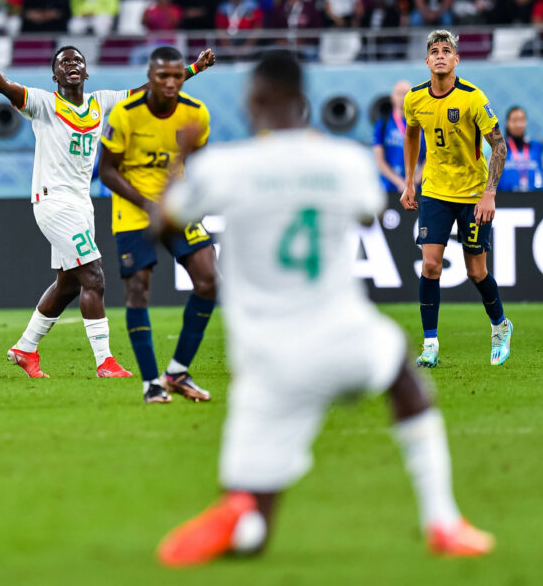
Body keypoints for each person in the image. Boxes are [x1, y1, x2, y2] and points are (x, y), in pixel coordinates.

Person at [155, 50, 495, 567]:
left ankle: (243, 522)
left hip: (266, 358)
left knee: (253, 510)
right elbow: (367, 213)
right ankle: (443, 521)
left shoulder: (225, 166)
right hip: (342, 335)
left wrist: (179, 165)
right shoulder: (343, 162)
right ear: (302, 100)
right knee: (402, 374)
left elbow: (164, 222)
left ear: (255, 100)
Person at [0, 27, 216, 379]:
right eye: (63, 62)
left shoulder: (100, 102)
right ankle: (105, 362)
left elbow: (147, 92)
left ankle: (25, 348)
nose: (72, 64)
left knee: (69, 283)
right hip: (54, 202)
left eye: (77, 60)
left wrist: (193, 69)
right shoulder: (43, 104)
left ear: (86, 71)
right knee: (94, 276)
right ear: (55, 76)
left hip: (81, 203)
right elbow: (4, 86)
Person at [98, 46, 217, 405]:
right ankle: (152, 383)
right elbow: (107, 171)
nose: (170, 82)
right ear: (150, 77)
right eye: (163, 75)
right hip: (134, 208)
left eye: (177, 76)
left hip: (176, 206)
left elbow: (200, 165)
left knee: (208, 280)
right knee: (138, 289)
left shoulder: (195, 113)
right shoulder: (125, 114)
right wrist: (148, 204)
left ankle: (177, 372)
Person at [400, 29, 512, 368]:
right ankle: (430, 345)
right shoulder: (414, 98)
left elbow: (500, 146)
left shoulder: (472, 97)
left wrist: (489, 194)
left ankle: (500, 326)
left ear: (456, 60)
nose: (440, 55)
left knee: (476, 271)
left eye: (446, 51)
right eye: (434, 51)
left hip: (473, 193)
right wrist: (409, 182)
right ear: (426, 61)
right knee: (431, 265)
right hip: (435, 190)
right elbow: (411, 134)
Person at [372, 80, 425, 193]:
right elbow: (379, 160)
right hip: (390, 188)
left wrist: (416, 179)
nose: (402, 97)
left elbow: (432, 155)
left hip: (418, 188)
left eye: (406, 93)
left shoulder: (423, 124)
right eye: (399, 93)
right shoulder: (383, 124)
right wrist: (399, 182)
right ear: (392, 97)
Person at [497, 106, 543, 192]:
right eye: (514, 121)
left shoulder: (536, 147)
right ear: (507, 123)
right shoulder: (499, 148)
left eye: (521, 120)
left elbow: (542, 175)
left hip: (534, 196)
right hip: (504, 197)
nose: (518, 125)